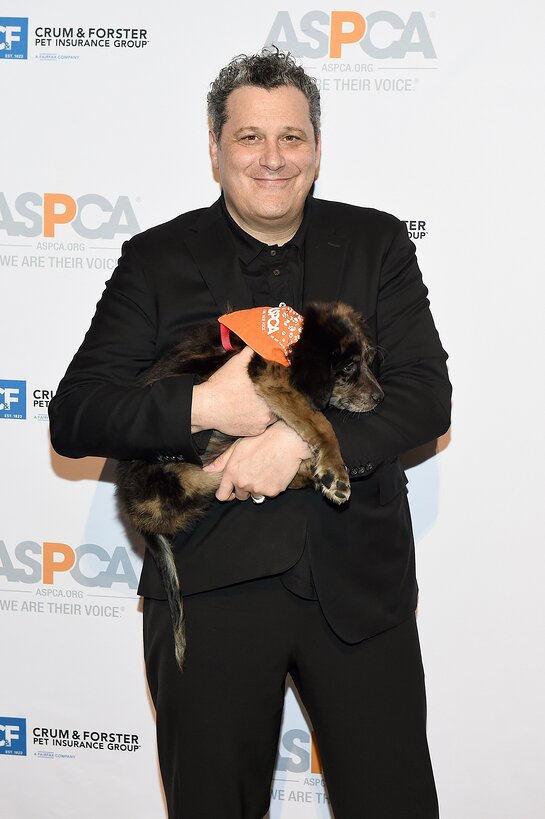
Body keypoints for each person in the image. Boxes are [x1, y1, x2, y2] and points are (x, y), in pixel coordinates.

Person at [49, 48, 451, 819]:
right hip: (207, 591)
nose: (273, 158)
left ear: (316, 147)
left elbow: (425, 396)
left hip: (359, 595)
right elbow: (77, 415)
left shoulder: (376, 245)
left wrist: (299, 438)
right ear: (214, 147)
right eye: (249, 137)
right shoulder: (156, 258)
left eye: (292, 137)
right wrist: (205, 407)